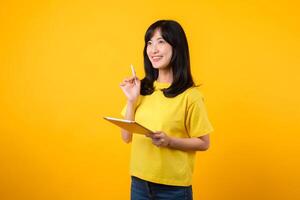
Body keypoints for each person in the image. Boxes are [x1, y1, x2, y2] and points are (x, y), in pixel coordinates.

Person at [119, 20, 214, 200]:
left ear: (176, 47)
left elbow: (204, 143)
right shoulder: (143, 88)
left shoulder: (190, 96)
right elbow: (126, 137)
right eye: (149, 43)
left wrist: (170, 141)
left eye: (161, 42)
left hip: (173, 189)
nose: (153, 50)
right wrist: (131, 100)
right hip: (139, 183)